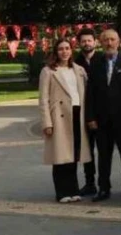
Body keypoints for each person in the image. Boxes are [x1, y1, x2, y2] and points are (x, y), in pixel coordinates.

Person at [85, 28, 121, 202]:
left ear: (119, 42)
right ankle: (103, 188)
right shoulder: (95, 63)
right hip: (102, 120)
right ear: (100, 42)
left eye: (112, 40)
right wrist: (91, 117)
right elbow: (90, 93)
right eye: (106, 40)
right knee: (103, 156)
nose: (109, 43)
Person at [40, 39, 91, 203]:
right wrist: (47, 122)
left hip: (77, 114)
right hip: (59, 117)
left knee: (74, 154)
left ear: (71, 50)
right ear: (56, 52)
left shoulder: (79, 70)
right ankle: (62, 192)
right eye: (61, 49)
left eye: (67, 48)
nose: (64, 52)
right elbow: (43, 99)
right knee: (61, 155)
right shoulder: (48, 71)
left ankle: (74, 189)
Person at [73, 28, 98, 197]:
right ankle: (90, 183)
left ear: (95, 42)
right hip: (83, 114)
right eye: (83, 41)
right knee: (87, 151)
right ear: (79, 43)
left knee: (104, 150)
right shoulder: (75, 63)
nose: (87, 43)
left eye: (89, 40)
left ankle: (105, 183)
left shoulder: (103, 60)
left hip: (103, 113)